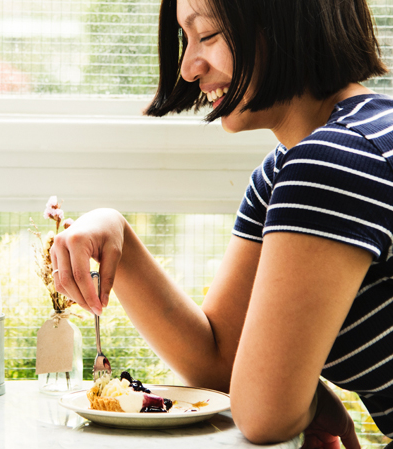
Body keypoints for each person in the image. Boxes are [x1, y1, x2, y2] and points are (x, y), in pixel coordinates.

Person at [49, 0, 393, 446]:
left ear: (281, 21)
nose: (189, 68)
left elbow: (264, 414)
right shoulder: (288, 169)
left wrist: (301, 400)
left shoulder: (332, 165)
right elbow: (220, 363)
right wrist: (117, 237)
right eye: (184, 39)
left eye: (207, 35)